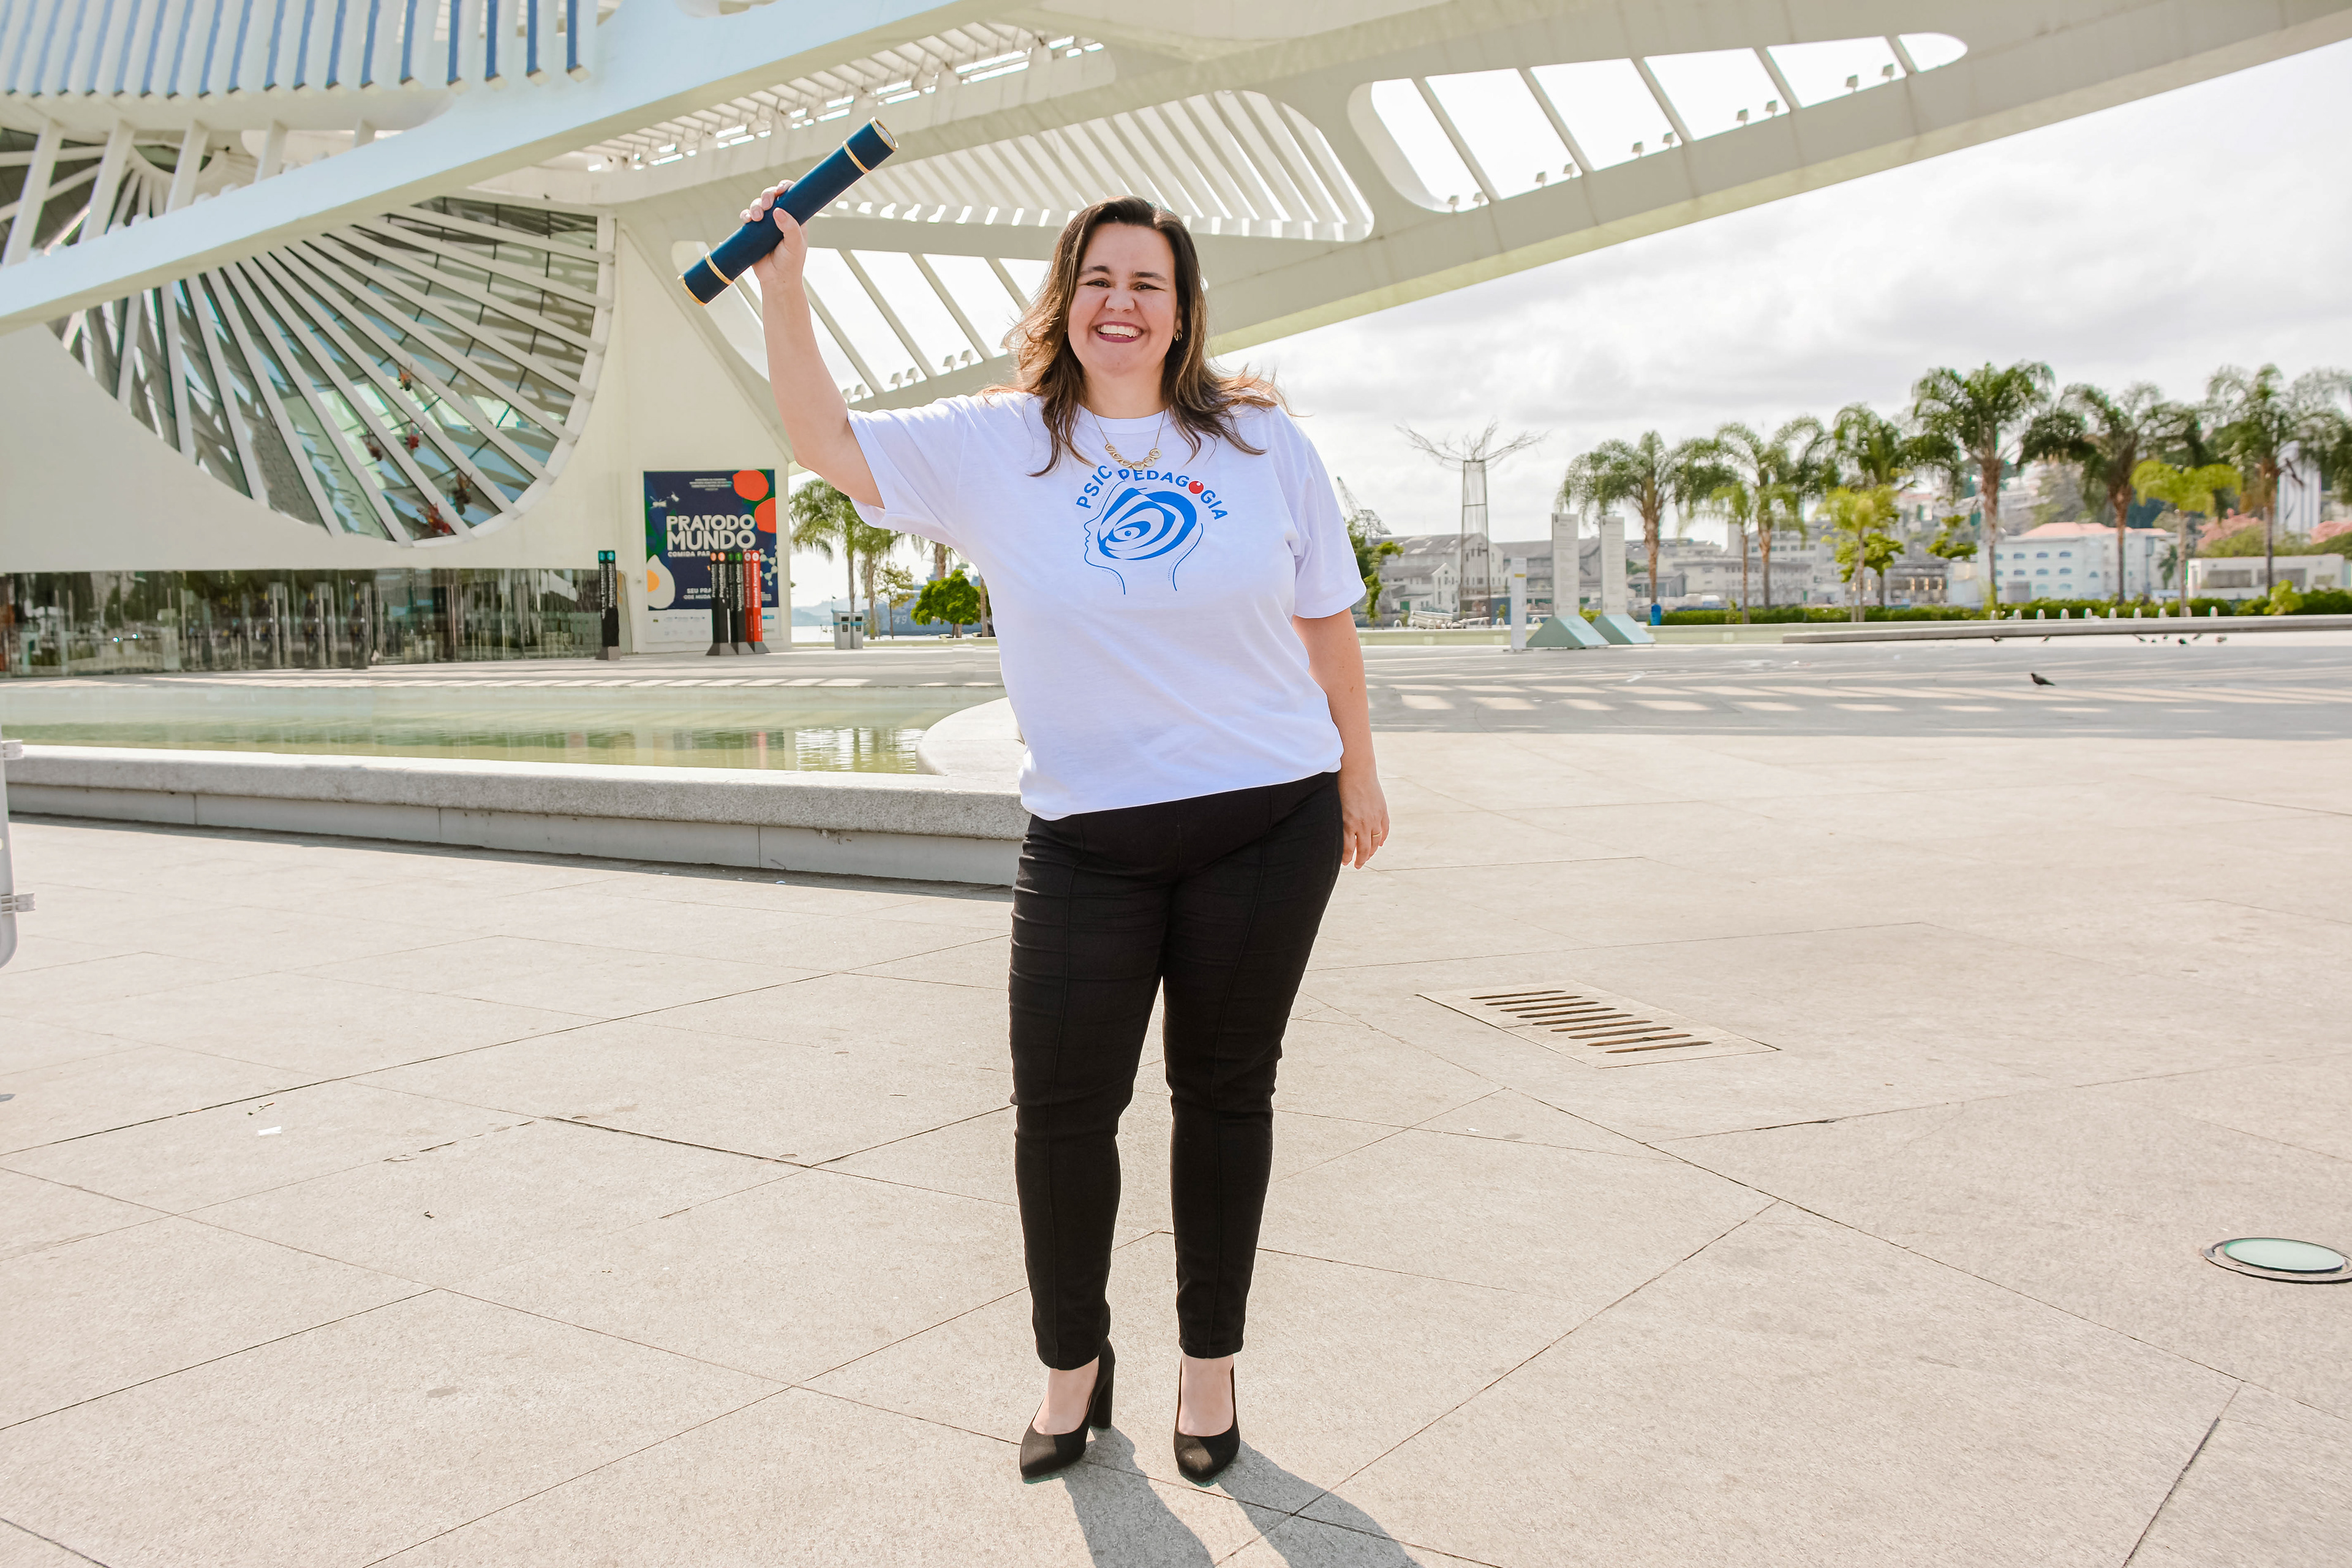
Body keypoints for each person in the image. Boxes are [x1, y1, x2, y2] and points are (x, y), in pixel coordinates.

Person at [744, 186, 1389, 1485]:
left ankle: (1209, 1370)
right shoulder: (999, 443)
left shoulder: (1262, 441)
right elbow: (824, 441)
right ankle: (1071, 1368)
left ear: (1183, 311)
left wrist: (1359, 773)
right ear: (1064, 299)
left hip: (1266, 816)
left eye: (1147, 282)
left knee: (1225, 1096)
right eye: (1098, 278)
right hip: (1088, 834)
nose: (1120, 302)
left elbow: (1326, 616)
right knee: (1059, 1110)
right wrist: (784, 284)